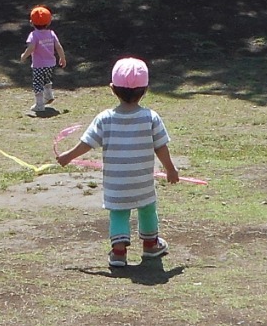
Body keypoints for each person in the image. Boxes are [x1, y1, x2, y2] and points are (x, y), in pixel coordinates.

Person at [55, 57, 180, 270]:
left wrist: (68, 156)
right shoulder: (151, 117)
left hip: (116, 182)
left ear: (112, 88)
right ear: (146, 89)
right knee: (148, 208)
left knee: (119, 212)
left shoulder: (105, 118)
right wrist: (170, 169)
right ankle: (150, 244)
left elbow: (87, 143)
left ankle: (119, 252)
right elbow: (161, 146)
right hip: (142, 181)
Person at [19, 4, 67, 116]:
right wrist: (62, 58)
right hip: (51, 64)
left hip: (38, 65)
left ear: (31, 22)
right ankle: (49, 95)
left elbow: (31, 48)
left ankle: (40, 105)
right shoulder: (51, 33)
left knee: (37, 83)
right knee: (46, 80)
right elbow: (58, 46)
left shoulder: (33, 35)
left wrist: (24, 56)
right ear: (49, 22)